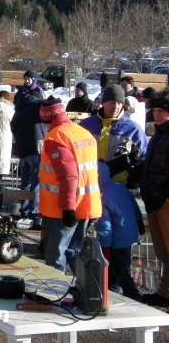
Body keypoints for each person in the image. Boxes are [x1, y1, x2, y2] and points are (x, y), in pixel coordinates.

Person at [38, 96, 101, 274]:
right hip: (85, 204)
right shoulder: (81, 132)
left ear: (45, 119)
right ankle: (85, 291)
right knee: (75, 253)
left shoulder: (55, 138)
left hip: (62, 209)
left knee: (55, 257)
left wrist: (67, 208)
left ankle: (54, 293)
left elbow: (69, 176)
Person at [80, 85, 148, 187]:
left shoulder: (133, 129)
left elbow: (143, 160)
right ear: (103, 103)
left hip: (120, 187)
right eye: (112, 102)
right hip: (89, 186)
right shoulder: (86, 126)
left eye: (119, 103)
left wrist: (133, 182)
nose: (116, 106)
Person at [94, 162, 144, 302]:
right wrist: (139, 223)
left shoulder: (100, 198)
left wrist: (105, 248)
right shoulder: (119, 187)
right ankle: (112, 293)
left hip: (116, 240)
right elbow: (134, 207)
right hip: (128, 235)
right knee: (117, 270)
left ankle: (134, 297)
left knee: (120, 272)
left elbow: (105, 227)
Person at [140, 88, 169, 306]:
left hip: (164, 199)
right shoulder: (158, 134)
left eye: (163, 111)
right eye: (156, 110)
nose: (157, 114)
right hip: (153, 198)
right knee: (162, 252)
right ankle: (164, 292)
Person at [10, 92, 46, 229]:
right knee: (36, 183)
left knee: (25, 182)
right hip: (37, 149)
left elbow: (13, 127)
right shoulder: (38, 106)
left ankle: (24, 211)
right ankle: (35, 214)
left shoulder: (19, 110)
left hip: (22, 150)